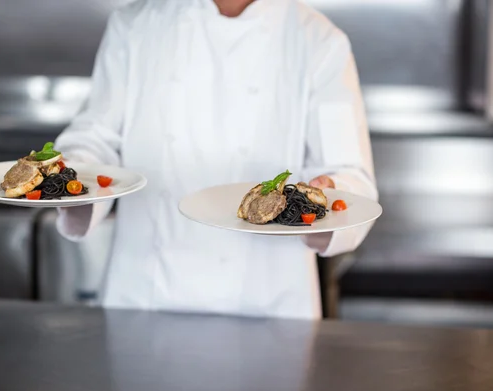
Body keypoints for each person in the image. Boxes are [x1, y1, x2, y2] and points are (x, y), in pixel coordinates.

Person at [55, 0, 378, 319]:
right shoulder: (135, 25)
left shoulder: (319, 40)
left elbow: (349, 176)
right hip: (144, 300)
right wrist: (69, 178)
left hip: (270, 307)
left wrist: (325, 194)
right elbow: (94, 138)